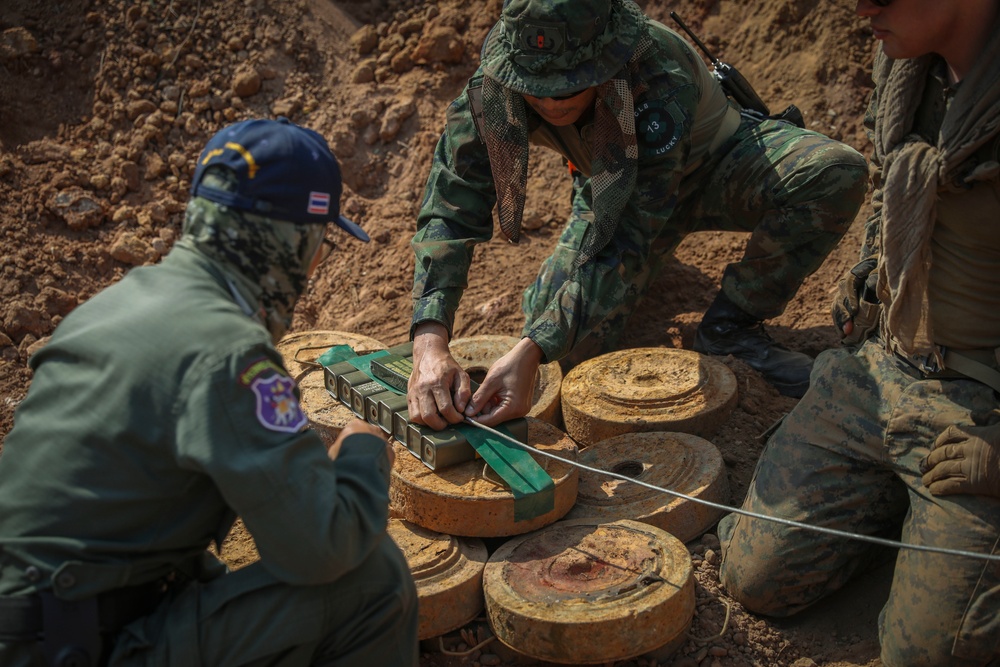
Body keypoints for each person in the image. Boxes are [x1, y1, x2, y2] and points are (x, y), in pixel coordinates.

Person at [0, 118, 419, 667]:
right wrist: (363, 452)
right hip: (70, 646)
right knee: (372, 581)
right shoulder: (230, 351)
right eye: (317, 244)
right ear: (291, 241)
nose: (315, 266)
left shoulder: (109, 307)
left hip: (42, 622)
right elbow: (323, 551)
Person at [406, 0, 870, 430]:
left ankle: (733, 327)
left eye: (571, 81)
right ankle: (652, 277)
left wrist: (530, 350)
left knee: (834, 173)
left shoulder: (658, 71)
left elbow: (628, 239)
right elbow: (450, 203)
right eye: (536, 88)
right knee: (566, 357)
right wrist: (429, 339)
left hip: (720, 168)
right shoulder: (494, 87)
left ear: (610, 55)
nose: (551, 102)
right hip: (616, 189)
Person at [718, 1, 1000, 665]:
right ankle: (899, 506)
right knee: (755, 576)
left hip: (979, 415)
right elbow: (896, 185)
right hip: (882, 373)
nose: (861, 8)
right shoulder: (908, 69)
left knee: (930, 654)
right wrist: (872, 268)